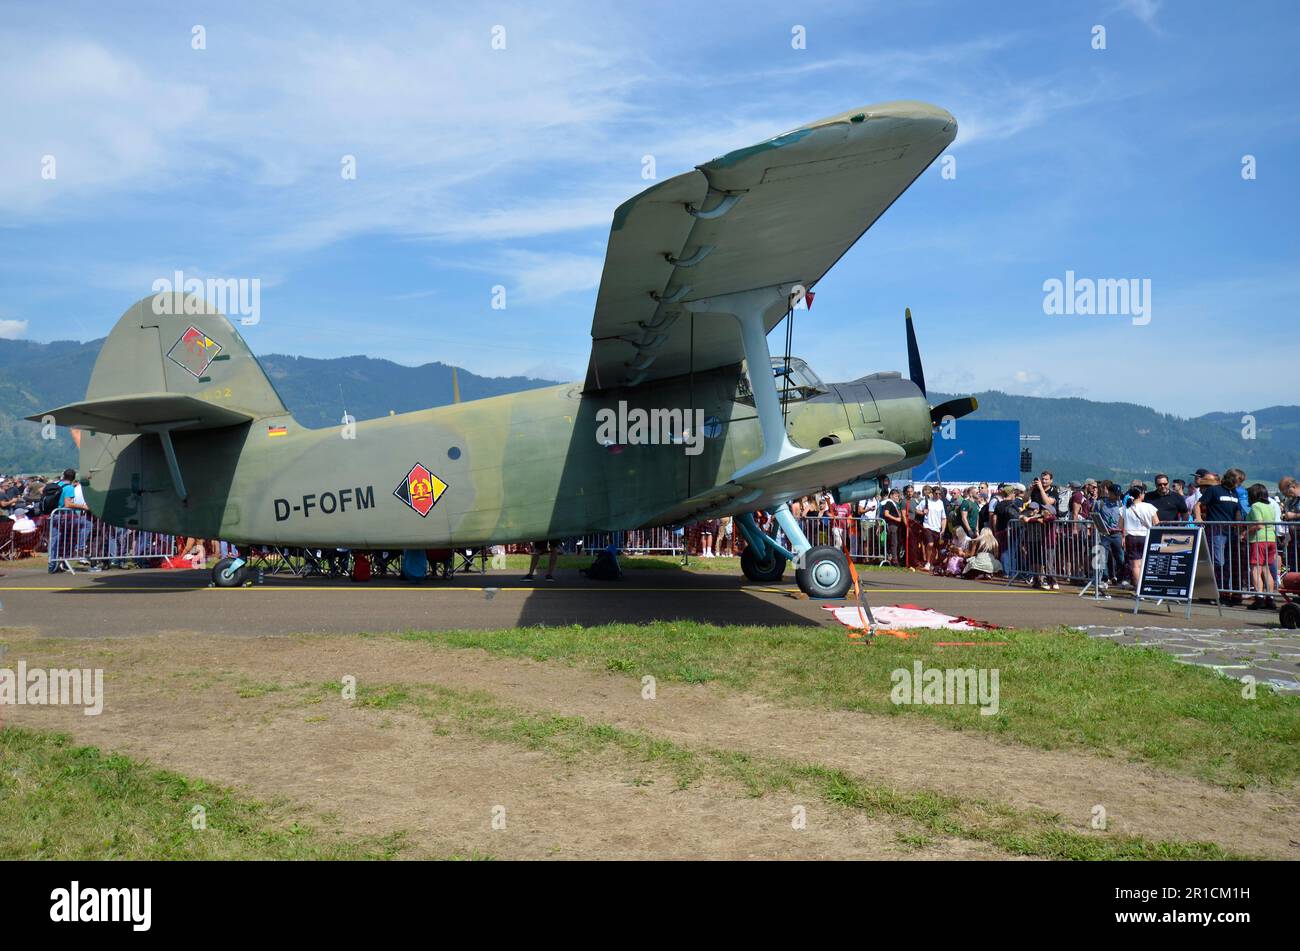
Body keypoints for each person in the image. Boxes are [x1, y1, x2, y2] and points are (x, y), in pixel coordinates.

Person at [1245, 483, 1278, 609]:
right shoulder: (1270, 505)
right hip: (1271, 539)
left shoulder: (1255, 506)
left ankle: (1259, 598)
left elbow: (1259, 524)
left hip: (1259, 539)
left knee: (1255, 569)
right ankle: (1270, 598)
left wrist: (1245, 532)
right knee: (1266, 569)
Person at [1121, 483, 1159, 590]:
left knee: (1135, 565)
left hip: (1131, 537)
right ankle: (1146, 586)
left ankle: (1138, 588)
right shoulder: (1149, 507)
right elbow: (1156, 523)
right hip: (1146, 536)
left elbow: (1120, 525)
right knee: (1145, 562)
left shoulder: (1125, 508)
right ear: (1141, 494)